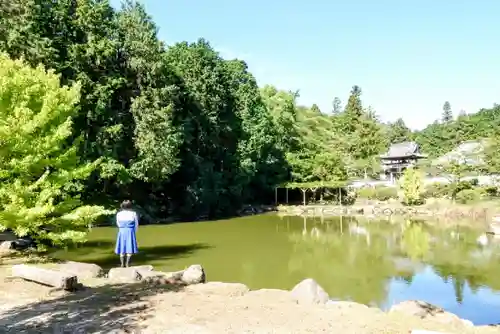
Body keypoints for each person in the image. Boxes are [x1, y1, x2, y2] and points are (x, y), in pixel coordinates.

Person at [115, 200, 139, 267]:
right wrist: (134, 231)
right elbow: (136, 224)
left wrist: (121, 228)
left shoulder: (119, 214)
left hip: (122, 231)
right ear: (130, 206)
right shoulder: (133, 213)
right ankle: (127, 264)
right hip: (130, 231)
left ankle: (122, 264)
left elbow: (118, 223)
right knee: (129, 248)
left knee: (122, 248)